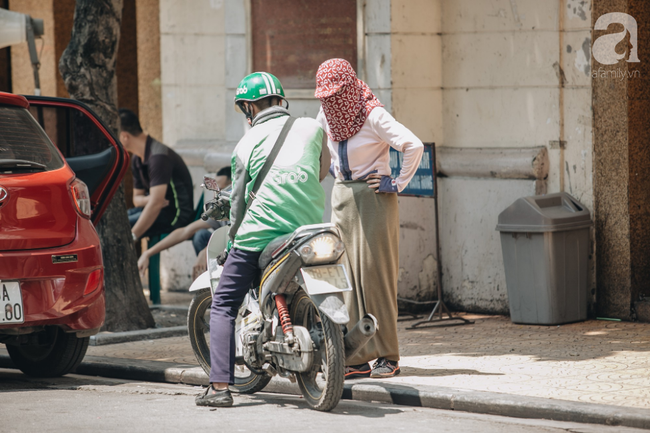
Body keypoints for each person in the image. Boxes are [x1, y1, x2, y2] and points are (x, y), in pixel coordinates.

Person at [195, 72, 330, 408]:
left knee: (224, 304)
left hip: (260, 236)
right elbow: (321, 170)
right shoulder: (312, 129)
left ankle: (219, 388)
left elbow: (238, 204)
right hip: (308, 231)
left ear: (249, 108)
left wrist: (230, 245)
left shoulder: (245, 144)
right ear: (281, 100)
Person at [315, 58, 424, 379]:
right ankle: (356, 357)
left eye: (336, 95)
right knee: (345, 278)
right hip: (342, 197)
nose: (330, 102)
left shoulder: (372, 113)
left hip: (375, 198)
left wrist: (397, 182)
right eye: (325, 96)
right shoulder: (326, 115)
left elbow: (412, 145)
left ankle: (388, 356)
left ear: (349, 88)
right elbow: (318, 150)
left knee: (376, 277)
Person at [136, 167, 232, 280]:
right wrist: (148, 253)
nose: (217, 195)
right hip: (223, 250)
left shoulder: (241, 209)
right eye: (215, 190)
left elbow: (235, 239)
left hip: (236, 251)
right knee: (200, 235)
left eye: (221, 189)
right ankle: (212, 282)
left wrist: (206, 251)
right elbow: (185, 231)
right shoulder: (219, 210)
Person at [119, 108, 194, 242]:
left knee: (120, 228)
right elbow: (137, 200)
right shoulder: (137, 158)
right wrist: (151, 199)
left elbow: (156, 204)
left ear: (124, 136)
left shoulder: (158, 157)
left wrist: (133, 236)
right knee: (116, 221)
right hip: (158, 209)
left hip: (175, 214)